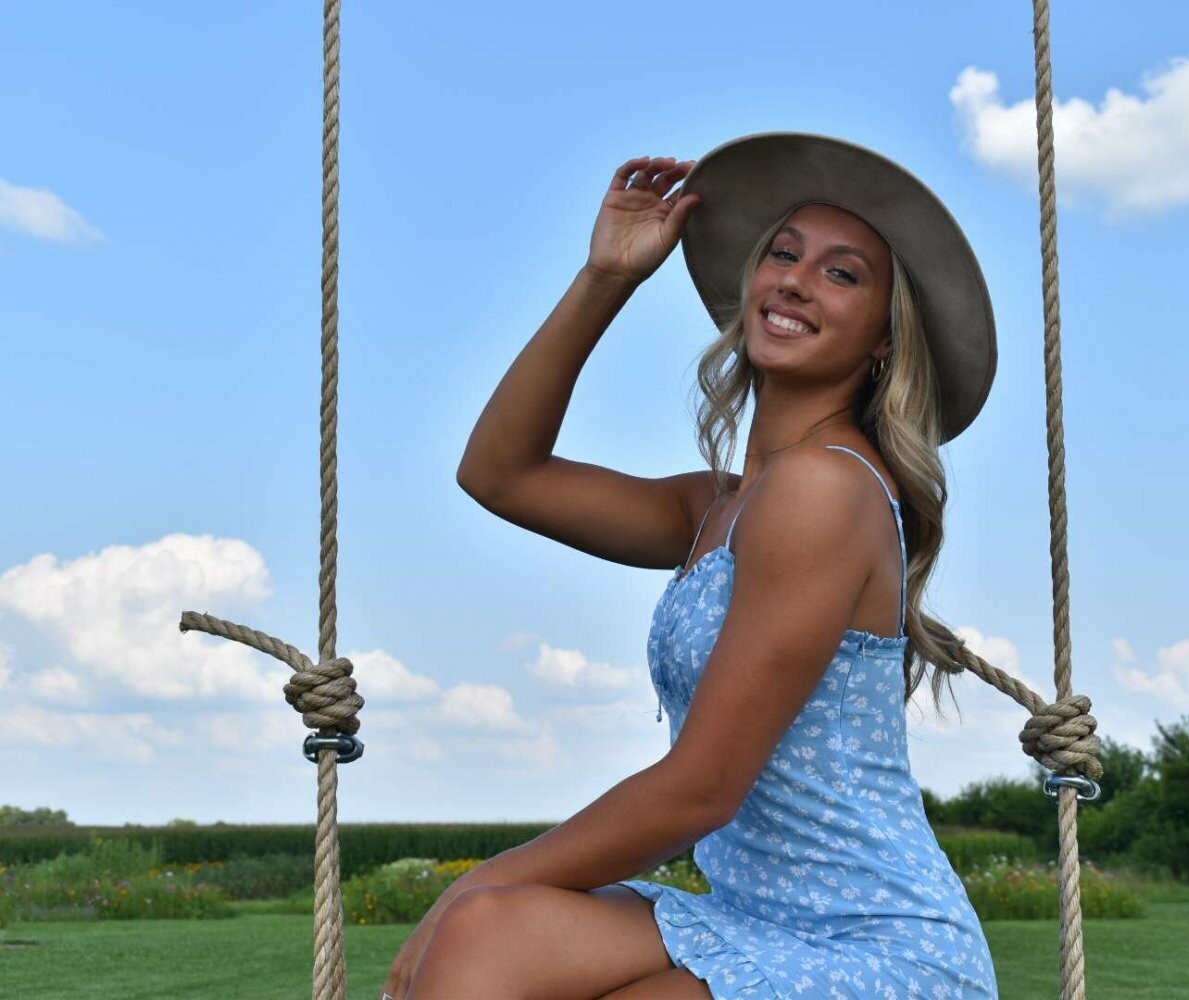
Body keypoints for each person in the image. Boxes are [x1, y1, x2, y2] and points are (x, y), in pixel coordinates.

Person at [386, 131, 1001, 999]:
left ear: (884, 341)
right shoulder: (716, 507)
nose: (795, 279)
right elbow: (500, 474)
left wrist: (468, 884)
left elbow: (703, 788)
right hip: (753, 917)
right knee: (489, 936)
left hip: (872, 945)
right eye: (782, 254)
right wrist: (607, 277)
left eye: (841, 273)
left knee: (479, 917)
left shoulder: (824, 491)